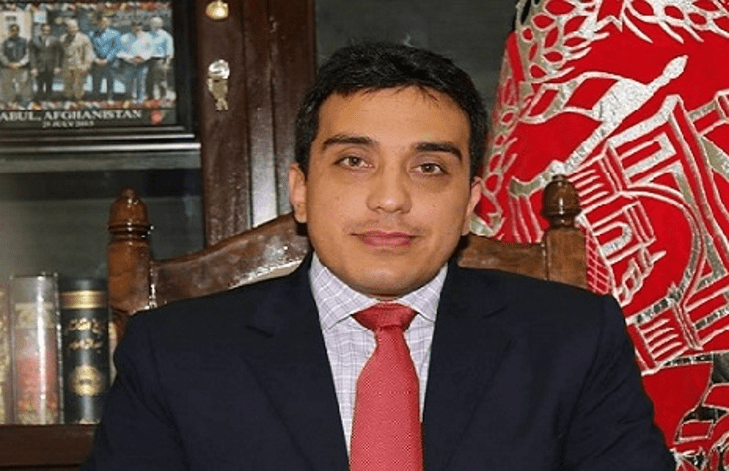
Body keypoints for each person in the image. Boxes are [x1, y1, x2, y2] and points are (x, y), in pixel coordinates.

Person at [82, 42, 675, 470]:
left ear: (469, 202)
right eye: (354, 161)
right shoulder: (175, 354)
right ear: (301, 190)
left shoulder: (573, 340)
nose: (391, 199)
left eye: (429, 168)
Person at [118, 20, 152, 102]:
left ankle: (140, 100)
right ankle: (129, 100)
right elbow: (120, 51)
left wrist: (142, 57)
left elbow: (151, 50)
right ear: (131, 27)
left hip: (143, 63)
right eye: (134, 26)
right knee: (128, 83)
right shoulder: (124, 37)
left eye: (138, 25)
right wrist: (131, 58)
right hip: (129, 63)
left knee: (141, 82)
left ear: (141, 27)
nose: (136, 28)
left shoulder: (148, 37)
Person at [89, 14, 122, 100]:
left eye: (105, 21)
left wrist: (107, 59)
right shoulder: (92, 34)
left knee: (110, 83)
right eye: (101, 21)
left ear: (108, 22)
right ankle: (96, 100)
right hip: (97, 62)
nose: (103, 23)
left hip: (110, 63)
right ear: (98, 22)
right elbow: (90, 48)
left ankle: (109, 100)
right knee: (96, 83)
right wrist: (95, 59)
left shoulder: (115, 34)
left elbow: (116, 48)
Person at [59, 19, 93, 100]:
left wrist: (86, 66)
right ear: (67, 28)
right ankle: (68, 102)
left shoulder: (84, 38)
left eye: (74, 27)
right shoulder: (62, 38)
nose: (72, 29)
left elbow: (88, 53)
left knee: (79, 88)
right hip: (66, 67)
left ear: (77, 28)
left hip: (79, 67)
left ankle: (78, 102)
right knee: (67, 87)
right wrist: (58, 66)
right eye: (70, 27)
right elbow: (59, 53)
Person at [0, 24, 31, 105]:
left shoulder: (24, 41)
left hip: (21, 67)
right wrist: (8, 63)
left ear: (18, 31)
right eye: (12, 30)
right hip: (7, 67)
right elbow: (1, 54)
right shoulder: (5, 42)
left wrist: (20, 63)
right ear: (10, 31)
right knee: (7, 85)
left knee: (24, 85)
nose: (14, 32)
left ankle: (25, 103)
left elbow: (28, 54)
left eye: (16, 30)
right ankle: (10, 101)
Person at [29, 23, 62, 101]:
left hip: (50, 67)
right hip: (39, 67)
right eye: (44, 30)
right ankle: (40, 102)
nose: (46, 32)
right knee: (39, 86)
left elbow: (58, 54)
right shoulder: (34, 40)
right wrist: (33, 67)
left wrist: (57, 66)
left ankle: (48, 100)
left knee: (49, 86)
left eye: (48, 30)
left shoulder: (55, 40)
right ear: (41, 30)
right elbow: (32, 55)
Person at [146, 16, 174, 100]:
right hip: (147, 60)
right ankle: (150, 97)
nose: (154, 24)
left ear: (161, 24)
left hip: (160, 60)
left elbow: (169, 50)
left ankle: (163, 97)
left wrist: (167, 62)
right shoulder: (146, 35)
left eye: (156, 23)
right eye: (152, 23)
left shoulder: (165, 35)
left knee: (161, 80)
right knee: (148, 80)